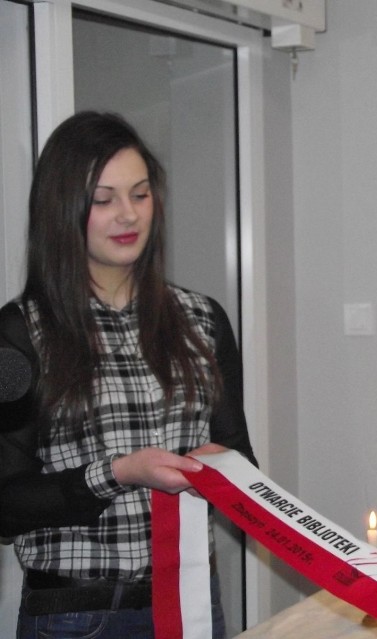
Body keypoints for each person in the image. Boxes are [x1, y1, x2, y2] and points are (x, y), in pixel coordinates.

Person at [0, 111, 256, 639]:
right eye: (104, 199)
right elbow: (6, 504)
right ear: (64, 208)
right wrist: (116, 473)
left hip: (190, 605)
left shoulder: (202, 319)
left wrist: (226, 469)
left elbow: (240, 456)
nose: (128, 215)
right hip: (75, 616)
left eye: (140, 195)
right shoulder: (21, 330)